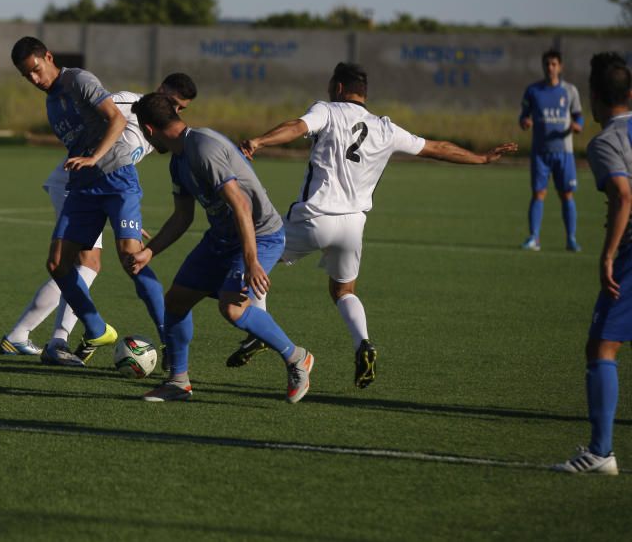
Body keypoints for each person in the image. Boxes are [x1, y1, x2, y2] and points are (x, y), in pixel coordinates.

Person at [236, 62, 517, 388]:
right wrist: (481, 158)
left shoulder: (327, 110)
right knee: (343, 291)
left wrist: (259, 141)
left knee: (254, 256)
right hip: (353, 227)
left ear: (338, 87)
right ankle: (363, 344)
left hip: (315, 218)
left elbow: (297, 126)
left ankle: (258, 332)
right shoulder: (386, 128)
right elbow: (436, 148)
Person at [124, 93, 314, 403]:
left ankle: (297, 357)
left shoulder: (202, 148)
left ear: (148, 129)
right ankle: (178, 382)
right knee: (176, 302)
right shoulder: (179, 161)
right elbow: (182, 216)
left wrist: (252, 261)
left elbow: (240, 204)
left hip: (261, 234)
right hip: (222, 239)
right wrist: (149, 252)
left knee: (232, 306)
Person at [0, 73, 198, 363]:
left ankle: (37, 337)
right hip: (76, 181)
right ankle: (54, 340)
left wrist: (125, 212)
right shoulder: (129, 103)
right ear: (161, 89)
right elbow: (92, 118)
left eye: (182, 109)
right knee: (83, 263)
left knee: (91, 263)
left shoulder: (157, 128)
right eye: (175, 103)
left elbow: (120, 158)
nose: (176, 111)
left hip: (109, 185)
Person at [554, 52, 632, 475]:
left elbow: (623, 195)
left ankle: (601, 453)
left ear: (596, 98)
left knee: (601, 345)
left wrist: (607, 254)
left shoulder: (605, 142)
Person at [519, 49, 584, 252]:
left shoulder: (570, 91)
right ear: (543, 66)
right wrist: (525, 122)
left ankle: (571, 239)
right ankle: (534, 238)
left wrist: (578, 125)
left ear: (560, 66)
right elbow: (523, 117)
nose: (550, 67)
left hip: (564, 151)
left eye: (554, 64)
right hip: (540, 152)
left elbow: (579, 116)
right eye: (547, 64)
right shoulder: (533, 91)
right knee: (538, 193)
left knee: (566, 194)